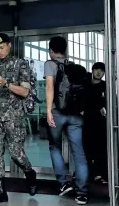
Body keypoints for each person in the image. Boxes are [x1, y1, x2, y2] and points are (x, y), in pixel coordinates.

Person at [0, 33, 37, 205]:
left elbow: (25, 92)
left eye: (1, 47)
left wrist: (7, 84)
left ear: (9, 45)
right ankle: (0, 191)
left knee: (16, 155)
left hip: (14, 117)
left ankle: (30, 174)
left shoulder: (21, 64)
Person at [44, 36, 88, 205]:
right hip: (76, 115)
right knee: (79, 153)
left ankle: (63, 183)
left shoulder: (50, 64)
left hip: (58, 112)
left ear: (51, 50)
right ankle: (82, 193)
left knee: (54, 146)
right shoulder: (73, 66)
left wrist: (48, 111)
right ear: (65, 50)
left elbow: (49, 87)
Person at [83, 62, 108, 184]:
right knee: (86, 148)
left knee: (100, 148)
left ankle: (99, 174)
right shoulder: (85, 84)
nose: (99, 72)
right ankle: (87, 173)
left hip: (100, 122)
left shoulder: (105, 86)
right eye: (97, 70)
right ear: (92, 70)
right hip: (86, 121)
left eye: (102, 71)